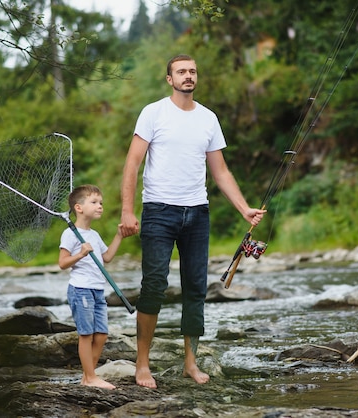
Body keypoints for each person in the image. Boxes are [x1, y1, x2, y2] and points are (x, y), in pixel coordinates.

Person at [120, 54, 266, 389]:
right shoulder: (153, 113)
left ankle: (191, 362)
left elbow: (221, 171)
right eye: (181, 71)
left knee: (196, 288)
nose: (188, 76)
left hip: (197, 213)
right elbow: (132, 164)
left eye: (193, 71)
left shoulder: (208, 118)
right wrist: (128, 211)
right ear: (169, 78)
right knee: (154, 284)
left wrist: (243, 208)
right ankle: (142, 364)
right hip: (158, 210)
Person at [58, 184, 125, 390]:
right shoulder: (70, 234)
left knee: (102, 334)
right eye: (94, 202)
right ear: (78, 208)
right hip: (81, 289)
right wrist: (80, 254)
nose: (100, 206)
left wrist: (119, 236)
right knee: (86, 334)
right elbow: (62, 263)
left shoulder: (93, 235)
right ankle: (90, 377)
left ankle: (89, 376)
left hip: (97, 290)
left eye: (101, 203)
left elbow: (106, 258)